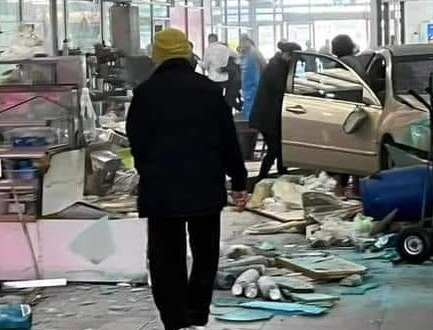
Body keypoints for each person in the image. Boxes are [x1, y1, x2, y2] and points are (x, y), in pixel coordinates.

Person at [127, 28, 248, 330]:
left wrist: (149, 171)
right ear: (188, 53)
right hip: (204, 185)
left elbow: (136, 141)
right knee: (205, 253)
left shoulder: (145, 93)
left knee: (166, 256)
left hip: (162, 189)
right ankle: (197, 314)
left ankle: (175, 319)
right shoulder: (209, 91)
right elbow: (228, 140)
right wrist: (239, 180)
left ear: (157, 56)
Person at [250, 41, 302, 181]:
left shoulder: (278, 64)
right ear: (288, 55)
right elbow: (281, 89)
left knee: (279, 149)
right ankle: (261, 179)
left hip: (270, 116)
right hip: (267, 117)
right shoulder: (276, 68)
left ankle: (282, 175)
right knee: (274, 149)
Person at [239, 36, 264, 120]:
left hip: (253, 84)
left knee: (252, 106)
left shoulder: (254, 53)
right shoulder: (246, 54)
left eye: (243, 42)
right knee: (249, 105)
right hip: (248, 85)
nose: (242, 45)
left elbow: (262, 66)